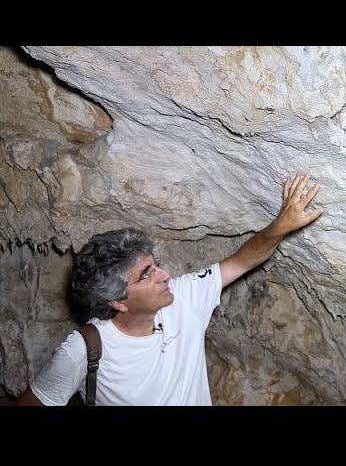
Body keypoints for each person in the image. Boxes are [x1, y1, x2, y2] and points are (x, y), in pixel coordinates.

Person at [16, 172, 323, 406]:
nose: (165, 274)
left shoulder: (183, 298)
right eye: (147, 274)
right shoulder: (85, 349)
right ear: (118, 301)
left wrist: (279, 227)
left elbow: (242, 261)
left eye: (156, 264)